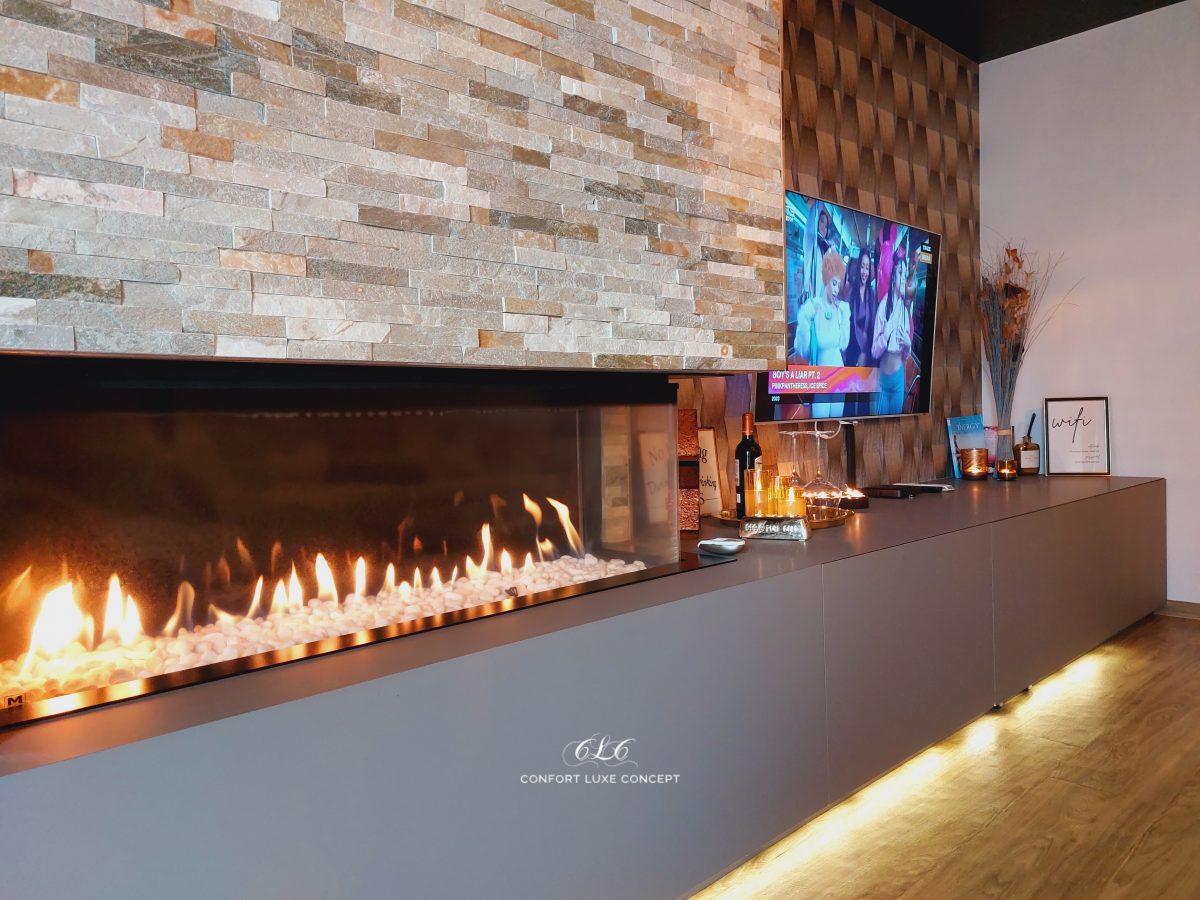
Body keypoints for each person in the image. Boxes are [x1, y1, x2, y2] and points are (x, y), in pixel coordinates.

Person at [793, 249, 850, 419]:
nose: (836, 289)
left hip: (839, 375)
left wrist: (845, 317)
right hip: (821, 378)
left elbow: (843, 345)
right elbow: (803, 350)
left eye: (838, 284)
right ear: (826, 280)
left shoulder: (840, 310)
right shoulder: (813, 308)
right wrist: (805, 319)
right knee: (821, 423)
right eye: (834, 283)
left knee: (837, 423)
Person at [872, 251, 912, 415]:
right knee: (878, 424)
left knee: (895, 425)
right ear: (894, 276)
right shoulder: (883, 306)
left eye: (905, 274)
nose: (903, 278)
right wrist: (886, 334)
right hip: (882, 380)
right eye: (900, 273)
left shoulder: (905, 312)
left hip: (898, 381)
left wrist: (908, 345)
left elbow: (905, 355)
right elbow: (874, 351)